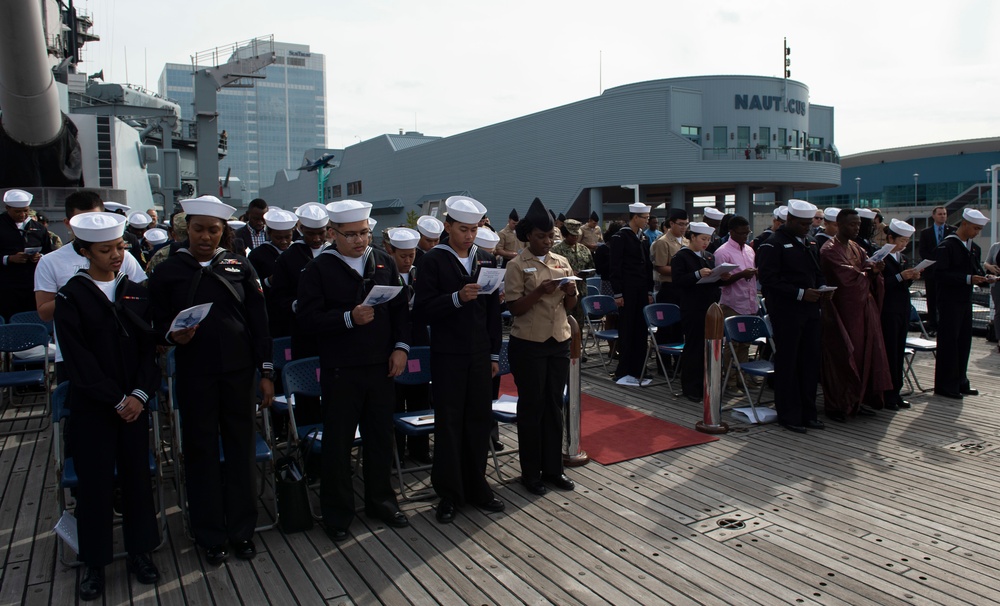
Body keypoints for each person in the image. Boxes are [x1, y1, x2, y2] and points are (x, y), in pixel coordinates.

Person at [149, 195, 273, 565]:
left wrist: (265, 373)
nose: (205, 237)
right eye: (198, 229)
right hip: (195, 373)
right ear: (187, 229)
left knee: (240, 449)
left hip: (237, 374)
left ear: (223, 232)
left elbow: (259, 323)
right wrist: (171, 337)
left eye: (213, 230)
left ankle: (242, 531)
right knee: (200, 452)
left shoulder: (240, 266)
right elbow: (153, 325)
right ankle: (209, 534)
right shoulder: (167, 270)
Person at [53, 212, 160, 600]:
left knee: (137, 481)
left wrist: (139, 396)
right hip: (95, 408)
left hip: (134, 405)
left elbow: (149, 352)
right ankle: (94, 562)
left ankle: (140, 552)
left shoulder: (136, 291)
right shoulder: (71, 296)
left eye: (120, 246)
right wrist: (116, 398)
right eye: (106, 249)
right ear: (84, 251)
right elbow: (79, 362)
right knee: (95, 486)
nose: (117, 254)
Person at [296, 200, 411, 540]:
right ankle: (337, 513)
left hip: (380, 366)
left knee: (379, 437)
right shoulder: (319, 269)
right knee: (338, 443)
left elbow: (401, 310)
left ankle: (381, 501)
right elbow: (307, 319)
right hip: (341, 369)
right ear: (333, 234)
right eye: (351, 235)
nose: (360, 240)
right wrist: (348, 318)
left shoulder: (383, 261)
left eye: (365, 232)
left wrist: (401, 348)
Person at [412, 195, 504, 524]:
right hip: (448, 353)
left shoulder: (487, 258)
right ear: (448, 226)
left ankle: (477, 485)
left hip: (480, 353)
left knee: (479, 420)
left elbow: (493, 311)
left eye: (474, 229)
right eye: (463, 229)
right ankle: (449, 492)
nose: (469, 236)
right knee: (449, 422)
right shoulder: (433, 261)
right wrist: (455, 298)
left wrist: (494, 352)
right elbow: (421, 309)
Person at [504, 198, 577, 496]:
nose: (547, 241)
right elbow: (514, 308)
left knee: (553, 406)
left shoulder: (561, 262)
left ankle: (553, 469)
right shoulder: (516, 265)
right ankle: (530, 473)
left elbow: (571, 305)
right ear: (527, 236)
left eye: (550, 236)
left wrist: (571, 292)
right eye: (540, 236)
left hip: (558, 340)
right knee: (531, 408)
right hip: (529, 344)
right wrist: (538, 293)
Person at [34, 191, 148, 382]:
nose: (92, 225)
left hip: (121, 349)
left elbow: (140, 301)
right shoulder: (50, 262)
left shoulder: (123, 258)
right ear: (68, 223)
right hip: (74, 354)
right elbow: (44, 312)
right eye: (82, 220)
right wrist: (80, 294)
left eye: (97, 219)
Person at [756, 199, 831, 434]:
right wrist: (800, 293)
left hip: (810, 310)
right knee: (788, 363)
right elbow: (769, 280)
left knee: (809, 362)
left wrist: (822, 288)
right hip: (787, 312)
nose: (807, 227)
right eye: (802, 224)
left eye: (809, 224)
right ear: (789, 220)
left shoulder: (809, 242)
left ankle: (808, 412)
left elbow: (816, 272)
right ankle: (789, 414)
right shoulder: (773, 244)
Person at [818, 208, 892, 421]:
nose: (856, 228)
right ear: (839, 224)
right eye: (852, 224)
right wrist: (870, 273)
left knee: (866, 353)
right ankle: (838, 404)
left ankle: (858, 400)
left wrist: (875, 268)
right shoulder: (829, 249)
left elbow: (864, 266)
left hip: (863, 309)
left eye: (858, 225)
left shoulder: (856, 246)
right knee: (845, 354)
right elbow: (846, 277)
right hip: (843, 311)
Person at [933, 208, 990, 399]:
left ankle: (960, 381)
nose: (977, 233)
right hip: (949, 301)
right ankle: (946, 384)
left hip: (964, 300)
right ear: (964, 224)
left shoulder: (971, 246)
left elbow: (975, 269)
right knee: (949, 342)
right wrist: (967, 279)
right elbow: (939, 274)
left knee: (964, 341)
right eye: (975, 228)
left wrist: (984, 278)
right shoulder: (948, 245)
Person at [386, 227, 432, 463]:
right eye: (402, 255)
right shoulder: (384, 274)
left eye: (411, 255)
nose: (407, 260)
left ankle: (420, 450)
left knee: (419, 396)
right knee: (395, 400)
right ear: (390, 251)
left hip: (418, 341)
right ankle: (396, 452)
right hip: (393, 344)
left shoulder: (420, 274)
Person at [671, 222, 727, 401]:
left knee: (709, 346)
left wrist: (722, 277)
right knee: (694, 347)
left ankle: (707, 384)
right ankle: (691, 387)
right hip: (693, 307)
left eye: (709, 239)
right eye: (703, 239)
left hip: (710, 306)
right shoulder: (681, 256)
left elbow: (714, 280)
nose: (706, 243)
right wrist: (696, 274)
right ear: (692, 237)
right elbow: (678, 280)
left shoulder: (709, 256)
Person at [609, 202, 654, 386]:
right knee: (627, 329)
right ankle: (624, 370)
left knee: (640, 330)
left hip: (641, 290)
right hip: (627, 289)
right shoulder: (620, 237)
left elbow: (648, 265)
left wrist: (650, 290)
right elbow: (615, 267)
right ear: (635, 217)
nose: (647, 221)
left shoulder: (642, 237)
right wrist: (618, 293)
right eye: (645, 218)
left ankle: (638, 368)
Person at [712, 216, 759, 391]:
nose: (745, 236)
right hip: (732, 303)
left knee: (746, 344)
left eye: (747, 233)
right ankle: (730, 379)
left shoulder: (749, 250)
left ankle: (743, 378)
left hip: (749, 302)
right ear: (731, 232)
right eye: (741, 233)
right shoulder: (723, 252)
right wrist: (741, 274)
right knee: (732, 344)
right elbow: (720, 281)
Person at [881, 219, 922, 410]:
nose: (904, 245)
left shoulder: (902, 259)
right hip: (887, 310)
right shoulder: (881, 258)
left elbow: (902, 285)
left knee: (898, 351)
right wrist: (900, 277)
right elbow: (880, 285)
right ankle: (887, 393)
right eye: (901, 241)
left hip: (902, 309)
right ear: (890, 238)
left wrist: (911, 278)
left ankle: (896, 391)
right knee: (889, 352)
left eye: (907, 242)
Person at [1, 189, 53, 319]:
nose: (22, 215)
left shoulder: (38, 228)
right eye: (17, 211)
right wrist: (9, 259)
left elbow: (49, 252)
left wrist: (39, 256)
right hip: (7, 284)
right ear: (7, 208)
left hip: (32, 282)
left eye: (25, 211)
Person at [248, 209, 298, 339]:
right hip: (271, 314)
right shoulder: (257, 255)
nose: (283, 242)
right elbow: (251, 288)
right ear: (269, 233)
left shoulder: (298, 252)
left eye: (287, 237)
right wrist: (268, 281)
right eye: (278, 237)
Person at [650, 209, 689, 350]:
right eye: (680, 224)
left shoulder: (686, 241)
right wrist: (684, 271)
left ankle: (677, 365)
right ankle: (664, 365)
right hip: (669, 288)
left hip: (683, 289)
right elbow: (660, 267)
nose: (683, 227)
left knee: (679, 328)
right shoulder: (663, 242)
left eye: (686, 224)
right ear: (671, 223)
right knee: (666, 328)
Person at [551, 219, 594, 329]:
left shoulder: (584, 249)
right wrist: (569, 273)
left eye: (576, 235)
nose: (575, 238)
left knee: (579, 324)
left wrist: (585, 274)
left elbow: (592, 268)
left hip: (581, 291)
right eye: (572, 235)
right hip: (563, 292)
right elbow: (550, 271)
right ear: (565, 235)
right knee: (564, 322)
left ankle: (577, 345)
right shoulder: (556, 251)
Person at [918, 206, 955, 333]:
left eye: (944, 214)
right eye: (940, 214)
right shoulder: (926, 233)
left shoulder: (953, 231)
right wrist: (935, 262)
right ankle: (933, 326)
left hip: (947, 272)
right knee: (932, 300)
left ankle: (945, 326)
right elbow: (923, 251)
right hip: (931, 272)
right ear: (933, 216)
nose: (943, 216)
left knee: (946, 300)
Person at [593, 221, 621, 296]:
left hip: (622, 282)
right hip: (607, 282)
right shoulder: (602, 250)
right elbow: (599, 270)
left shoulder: (623, 249)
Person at [984, 240, 1000, 350]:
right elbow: (986, 262)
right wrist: (990, 267)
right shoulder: (995, 246)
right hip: (997, 284)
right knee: (999, 311)